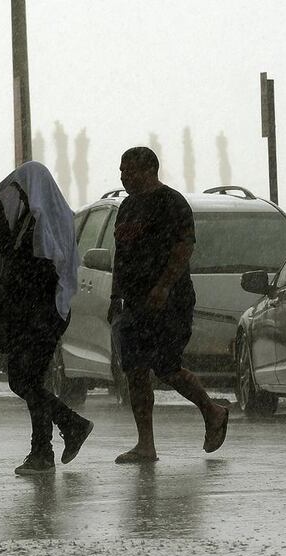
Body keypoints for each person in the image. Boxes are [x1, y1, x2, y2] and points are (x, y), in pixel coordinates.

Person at [109, 147, 229, 463]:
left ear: (150, 170)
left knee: (166, 366)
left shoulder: (171, 203)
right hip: (133, 303)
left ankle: (212, 410)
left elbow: (183, 247)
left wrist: (163, 286)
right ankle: (145, 445)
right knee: (135, 372)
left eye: (129, 170)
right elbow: (120, 256)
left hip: (169, 301)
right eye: (121, 171)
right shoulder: (126, 208)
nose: (123, 176)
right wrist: (114, 297)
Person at [0, 161, 93, 475]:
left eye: (21, 189)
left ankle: (60, 435)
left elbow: (37, 267)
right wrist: (2, 215)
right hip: (32, 314)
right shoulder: (32, 220)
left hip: (43, 314)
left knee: (23, 378)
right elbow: (11, 252)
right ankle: (52, 442)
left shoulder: (48, 222)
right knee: (28, 379)